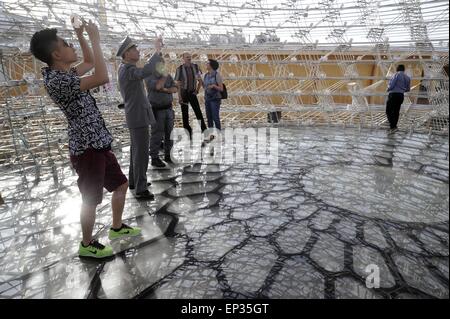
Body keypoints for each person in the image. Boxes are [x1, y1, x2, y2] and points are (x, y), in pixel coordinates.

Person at [30, 20, 140, 259]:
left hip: (98, 141)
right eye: (67, 44)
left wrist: (82, 36)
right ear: (57, 54)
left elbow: (89, 63)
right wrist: (96, 39)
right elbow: (101, 76)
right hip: (86, 147)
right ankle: (87, 244)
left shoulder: (61, 73)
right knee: (90, 199)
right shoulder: (58, 81)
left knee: (120, 184)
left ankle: (117, 227)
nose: (72, 46)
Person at [117, 36, 164, 199]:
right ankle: (141, 188)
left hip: (136, 115)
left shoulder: (125, 69)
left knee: (136, 151)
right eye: (135, 49)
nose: (138, 51)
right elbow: (145, 71)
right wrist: (157, 52)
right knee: (141, 153)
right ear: (127, 53)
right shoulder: (128, 70)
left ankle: (134, 181)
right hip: (138, 116)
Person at [145, 56, 178, 167]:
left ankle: (168, 154)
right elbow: (158, 86)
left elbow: (175, 89)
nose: (163, 66)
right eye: (160, 64)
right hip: (157, 110)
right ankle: (154, 157)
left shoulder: (167, 76)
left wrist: (167, 90)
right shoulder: (150, 76)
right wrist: (164, 79)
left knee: (170, 134)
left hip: (168, 108)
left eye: (163, 64)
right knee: (157, 134)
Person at [174, 52, 207, 139]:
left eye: (190, 57)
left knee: (198, 112)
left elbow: (200, 79)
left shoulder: (195, 67)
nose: (189, 58)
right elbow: (178, 84)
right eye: (187, 57)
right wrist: (180, 97)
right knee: (185, 114)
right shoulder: (180, 69)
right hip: (184, 93)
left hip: (192, 93)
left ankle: (205, 131)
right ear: (183, 58)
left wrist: (197, 90)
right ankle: (188, 133)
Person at [386, 64, 411, 133]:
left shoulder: (396, 74)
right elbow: (408, 89)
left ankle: (393, 126)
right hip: (401, 95)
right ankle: (394, 127)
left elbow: (392, 85)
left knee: (388, 111)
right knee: (396, 111)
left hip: (393, 94)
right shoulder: (407, 77)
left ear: (397, 69)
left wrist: (388, 89)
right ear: (404, 69)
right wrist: (401, 90)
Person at [203, 59, 224, 135]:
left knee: (215, 117)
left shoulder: (217, 75)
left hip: (215, 99)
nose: (206, 64)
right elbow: (205, 87)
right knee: (209, 117)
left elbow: (221, 89)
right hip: (207, 98)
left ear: (211, 65)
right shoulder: (206, 75)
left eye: (208, 63)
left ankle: (219, 133)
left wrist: (214, 86)